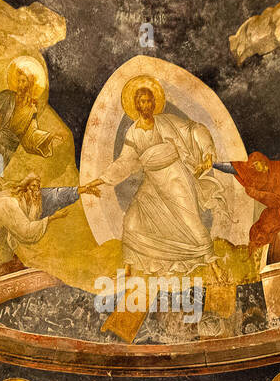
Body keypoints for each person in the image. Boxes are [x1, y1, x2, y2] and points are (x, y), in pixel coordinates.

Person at [83, 75, 221, 275]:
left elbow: (194, 129)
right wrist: (98, 181)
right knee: (132, 220)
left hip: (175, 175)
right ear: (136, 105)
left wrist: (208, 151)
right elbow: (124, 163)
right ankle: (128, 270)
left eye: (149, 101)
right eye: (142, 101)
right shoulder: (133, 133)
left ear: (154, 103)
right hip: (153, 180)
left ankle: (214, 266)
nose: (146, 105)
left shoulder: (166, 122)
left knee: (190, 221)